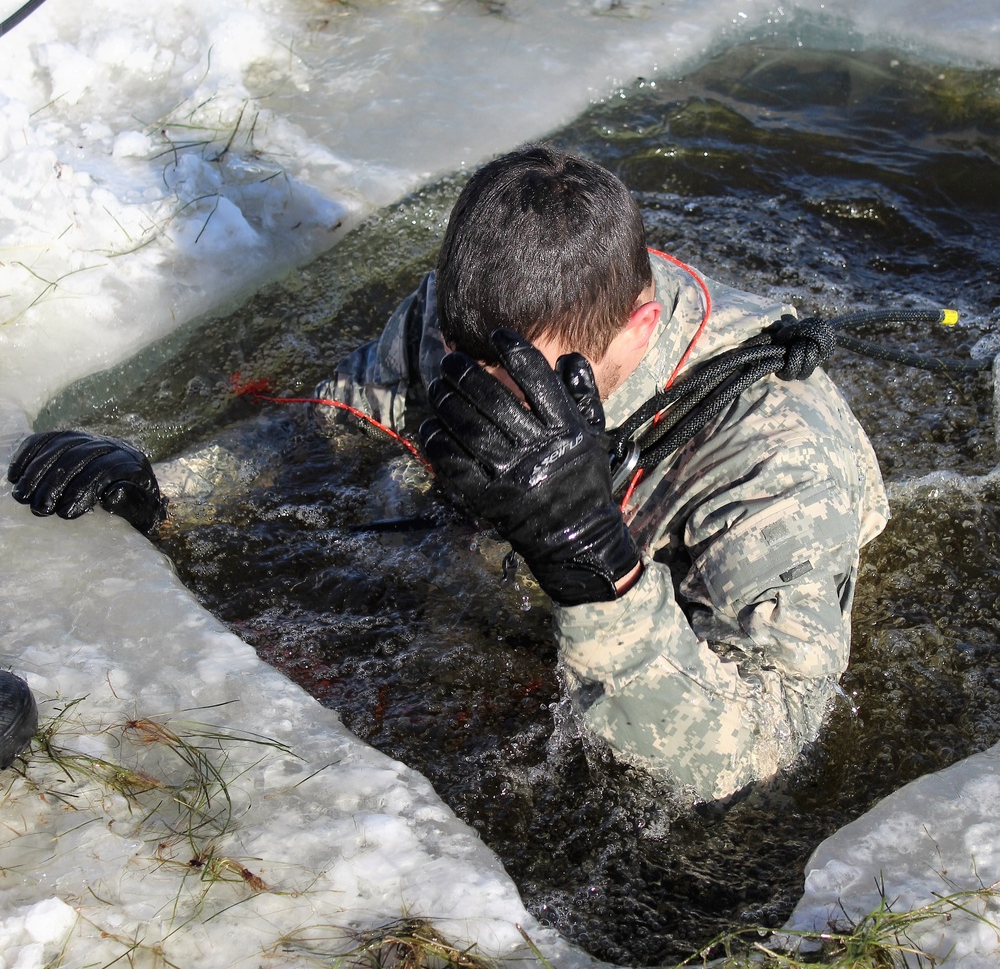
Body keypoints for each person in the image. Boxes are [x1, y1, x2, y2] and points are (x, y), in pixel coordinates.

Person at [6, 146, 888, 801]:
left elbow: (758, 750)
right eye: (468, 365)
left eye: (529, 380)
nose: (486, 402)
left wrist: (590, 558)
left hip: (666, 602)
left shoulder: (777, 454)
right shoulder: (459, 315)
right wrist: (165, 490)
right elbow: (341, 427)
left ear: (636, 326)